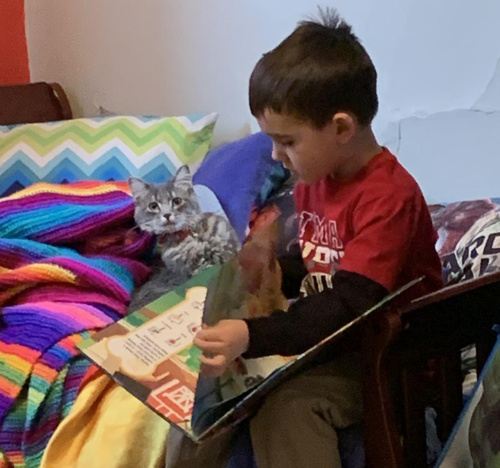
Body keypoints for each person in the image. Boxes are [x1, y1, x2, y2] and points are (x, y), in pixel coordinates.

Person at [168, 7, 443, 468]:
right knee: (207, 405)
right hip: (337, 343)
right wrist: (273, 270)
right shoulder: (316, 180)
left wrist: (252, 335)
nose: (277, 155)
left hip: (391, 356)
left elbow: (350, 302)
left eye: (288, 141)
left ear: (341, 128)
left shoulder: (388, 196)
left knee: (287, 410)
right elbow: (321, 265)